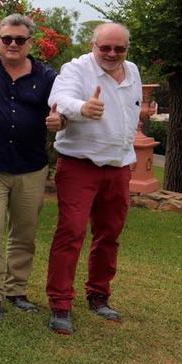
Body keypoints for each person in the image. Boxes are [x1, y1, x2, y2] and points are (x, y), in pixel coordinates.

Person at [44, 22, 141, 335]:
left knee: (109, 234)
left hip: (118, 166)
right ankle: (60, 303)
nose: (112, 54)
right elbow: (60, 100)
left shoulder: (134, 71)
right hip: (79, 164)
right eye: (105, 48)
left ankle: (98, 295)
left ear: (127, 48)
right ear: (92, 45)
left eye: (119, 48)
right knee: (70, 232)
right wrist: (83, 107)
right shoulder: (76, 69)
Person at [0, 14, 63, 321]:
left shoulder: (47, 76)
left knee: (24, 233)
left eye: (19, 40)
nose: (12, 44)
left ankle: (16, 289)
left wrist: (61, 120)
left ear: (29, 43)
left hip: (30, 167)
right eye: (7, 39)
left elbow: (64, 103)